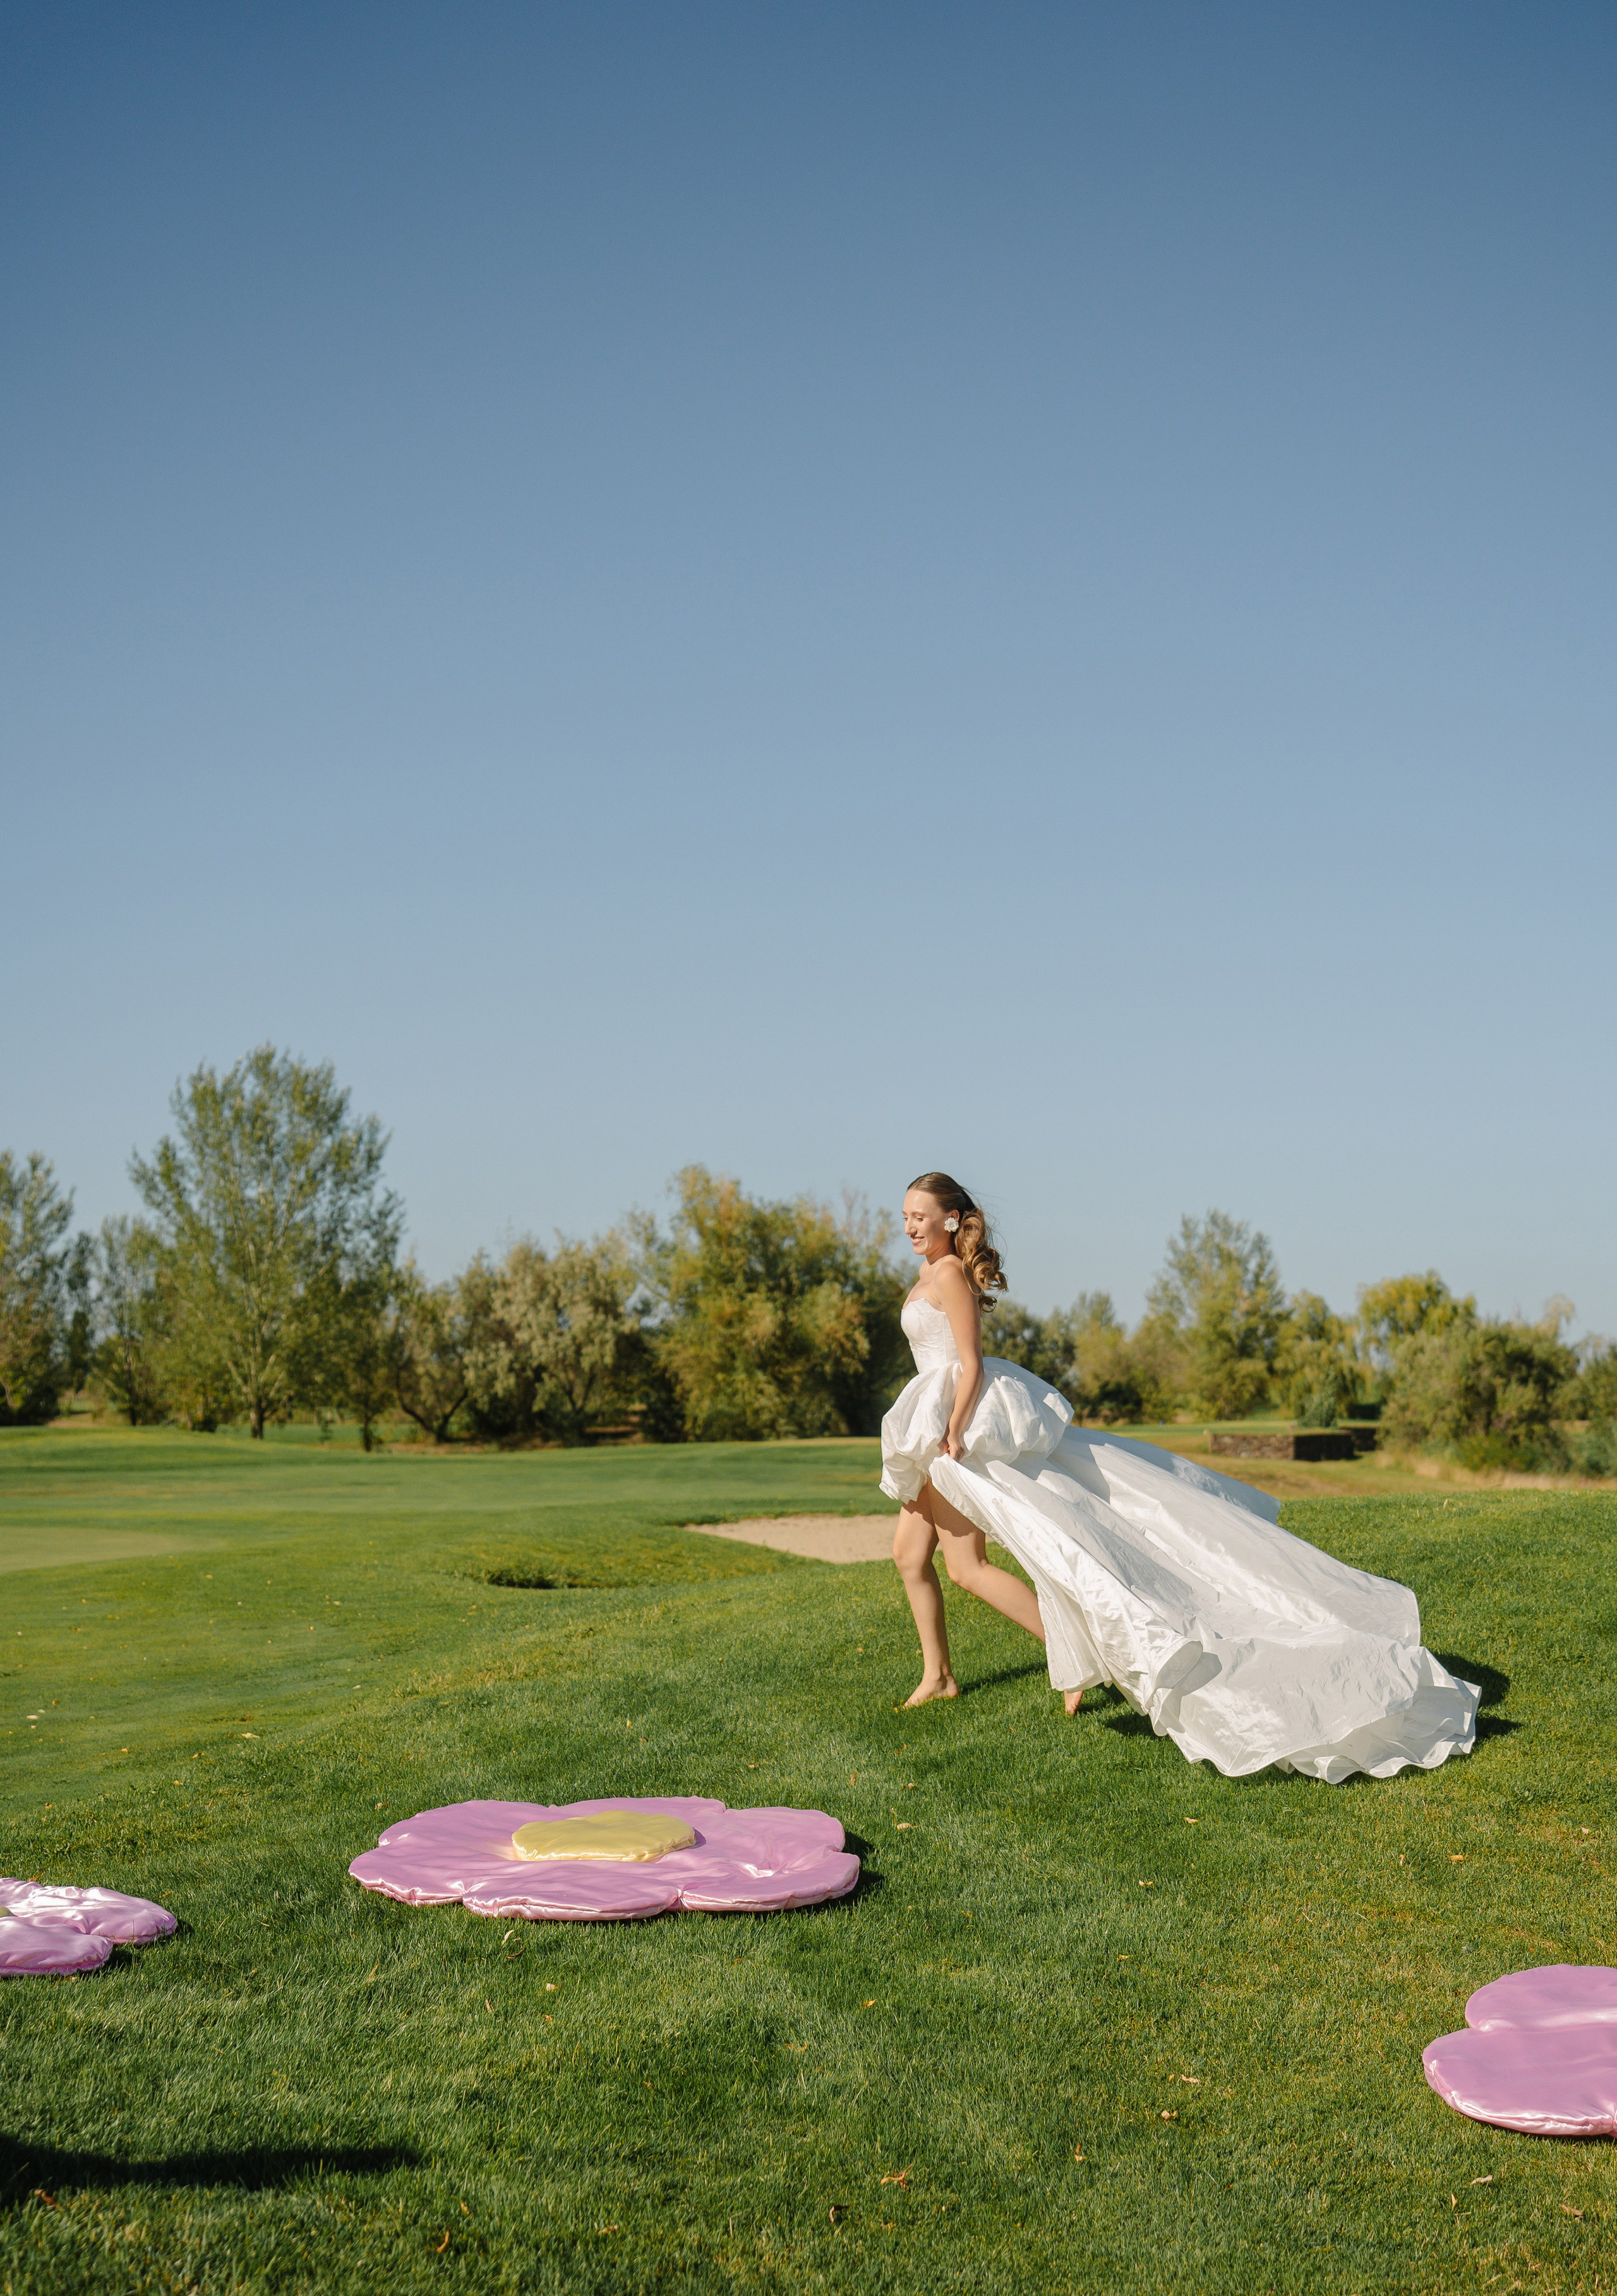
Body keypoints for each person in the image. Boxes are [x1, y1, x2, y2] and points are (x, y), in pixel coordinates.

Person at [883, 1172, 1479, 1781]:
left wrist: (954, 1431)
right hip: (924, 1425)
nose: (909, 1226)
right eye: (905, 1216)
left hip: (953, 1429)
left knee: (967, 1567)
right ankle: (941, 1676)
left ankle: (1084, 1651)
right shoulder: (927, 1274)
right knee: (909, 1556)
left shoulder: (951, 1274)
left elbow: (972, 1362)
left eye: (920, 1217)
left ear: (952, 1220)